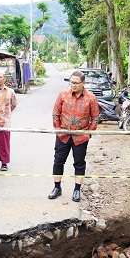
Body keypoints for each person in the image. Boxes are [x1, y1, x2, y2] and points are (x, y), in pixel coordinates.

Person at [49, 70, 99, 202]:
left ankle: (77, 189)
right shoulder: (63, 95)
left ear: (83, 83)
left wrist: (88, 133)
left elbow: (95, 118)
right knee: (58, 161)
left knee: (79, 163)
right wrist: (58, 130)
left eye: (76, 83)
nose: (73, 85)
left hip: (81, 137)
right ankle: (57, 187)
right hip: (63, 135)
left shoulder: (91, 98)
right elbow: (56, 113)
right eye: (71, 82)